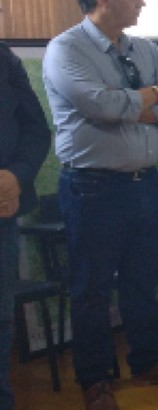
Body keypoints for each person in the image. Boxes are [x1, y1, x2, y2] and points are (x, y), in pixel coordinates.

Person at [42, 0, 158, 410]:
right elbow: (97, 105)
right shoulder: (66, 49)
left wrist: (128, 103)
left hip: (145, 184)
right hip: (93, 188)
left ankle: (149, 362)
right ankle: (95, 381)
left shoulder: (145, 49)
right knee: (91, 289)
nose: (140, 1)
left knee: (142, 281)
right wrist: (148, 97)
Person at [0, 41, 52, 410]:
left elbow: (35, 128)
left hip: (4, 207)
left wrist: (17, 176)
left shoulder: (3, 57)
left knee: (1, 319)